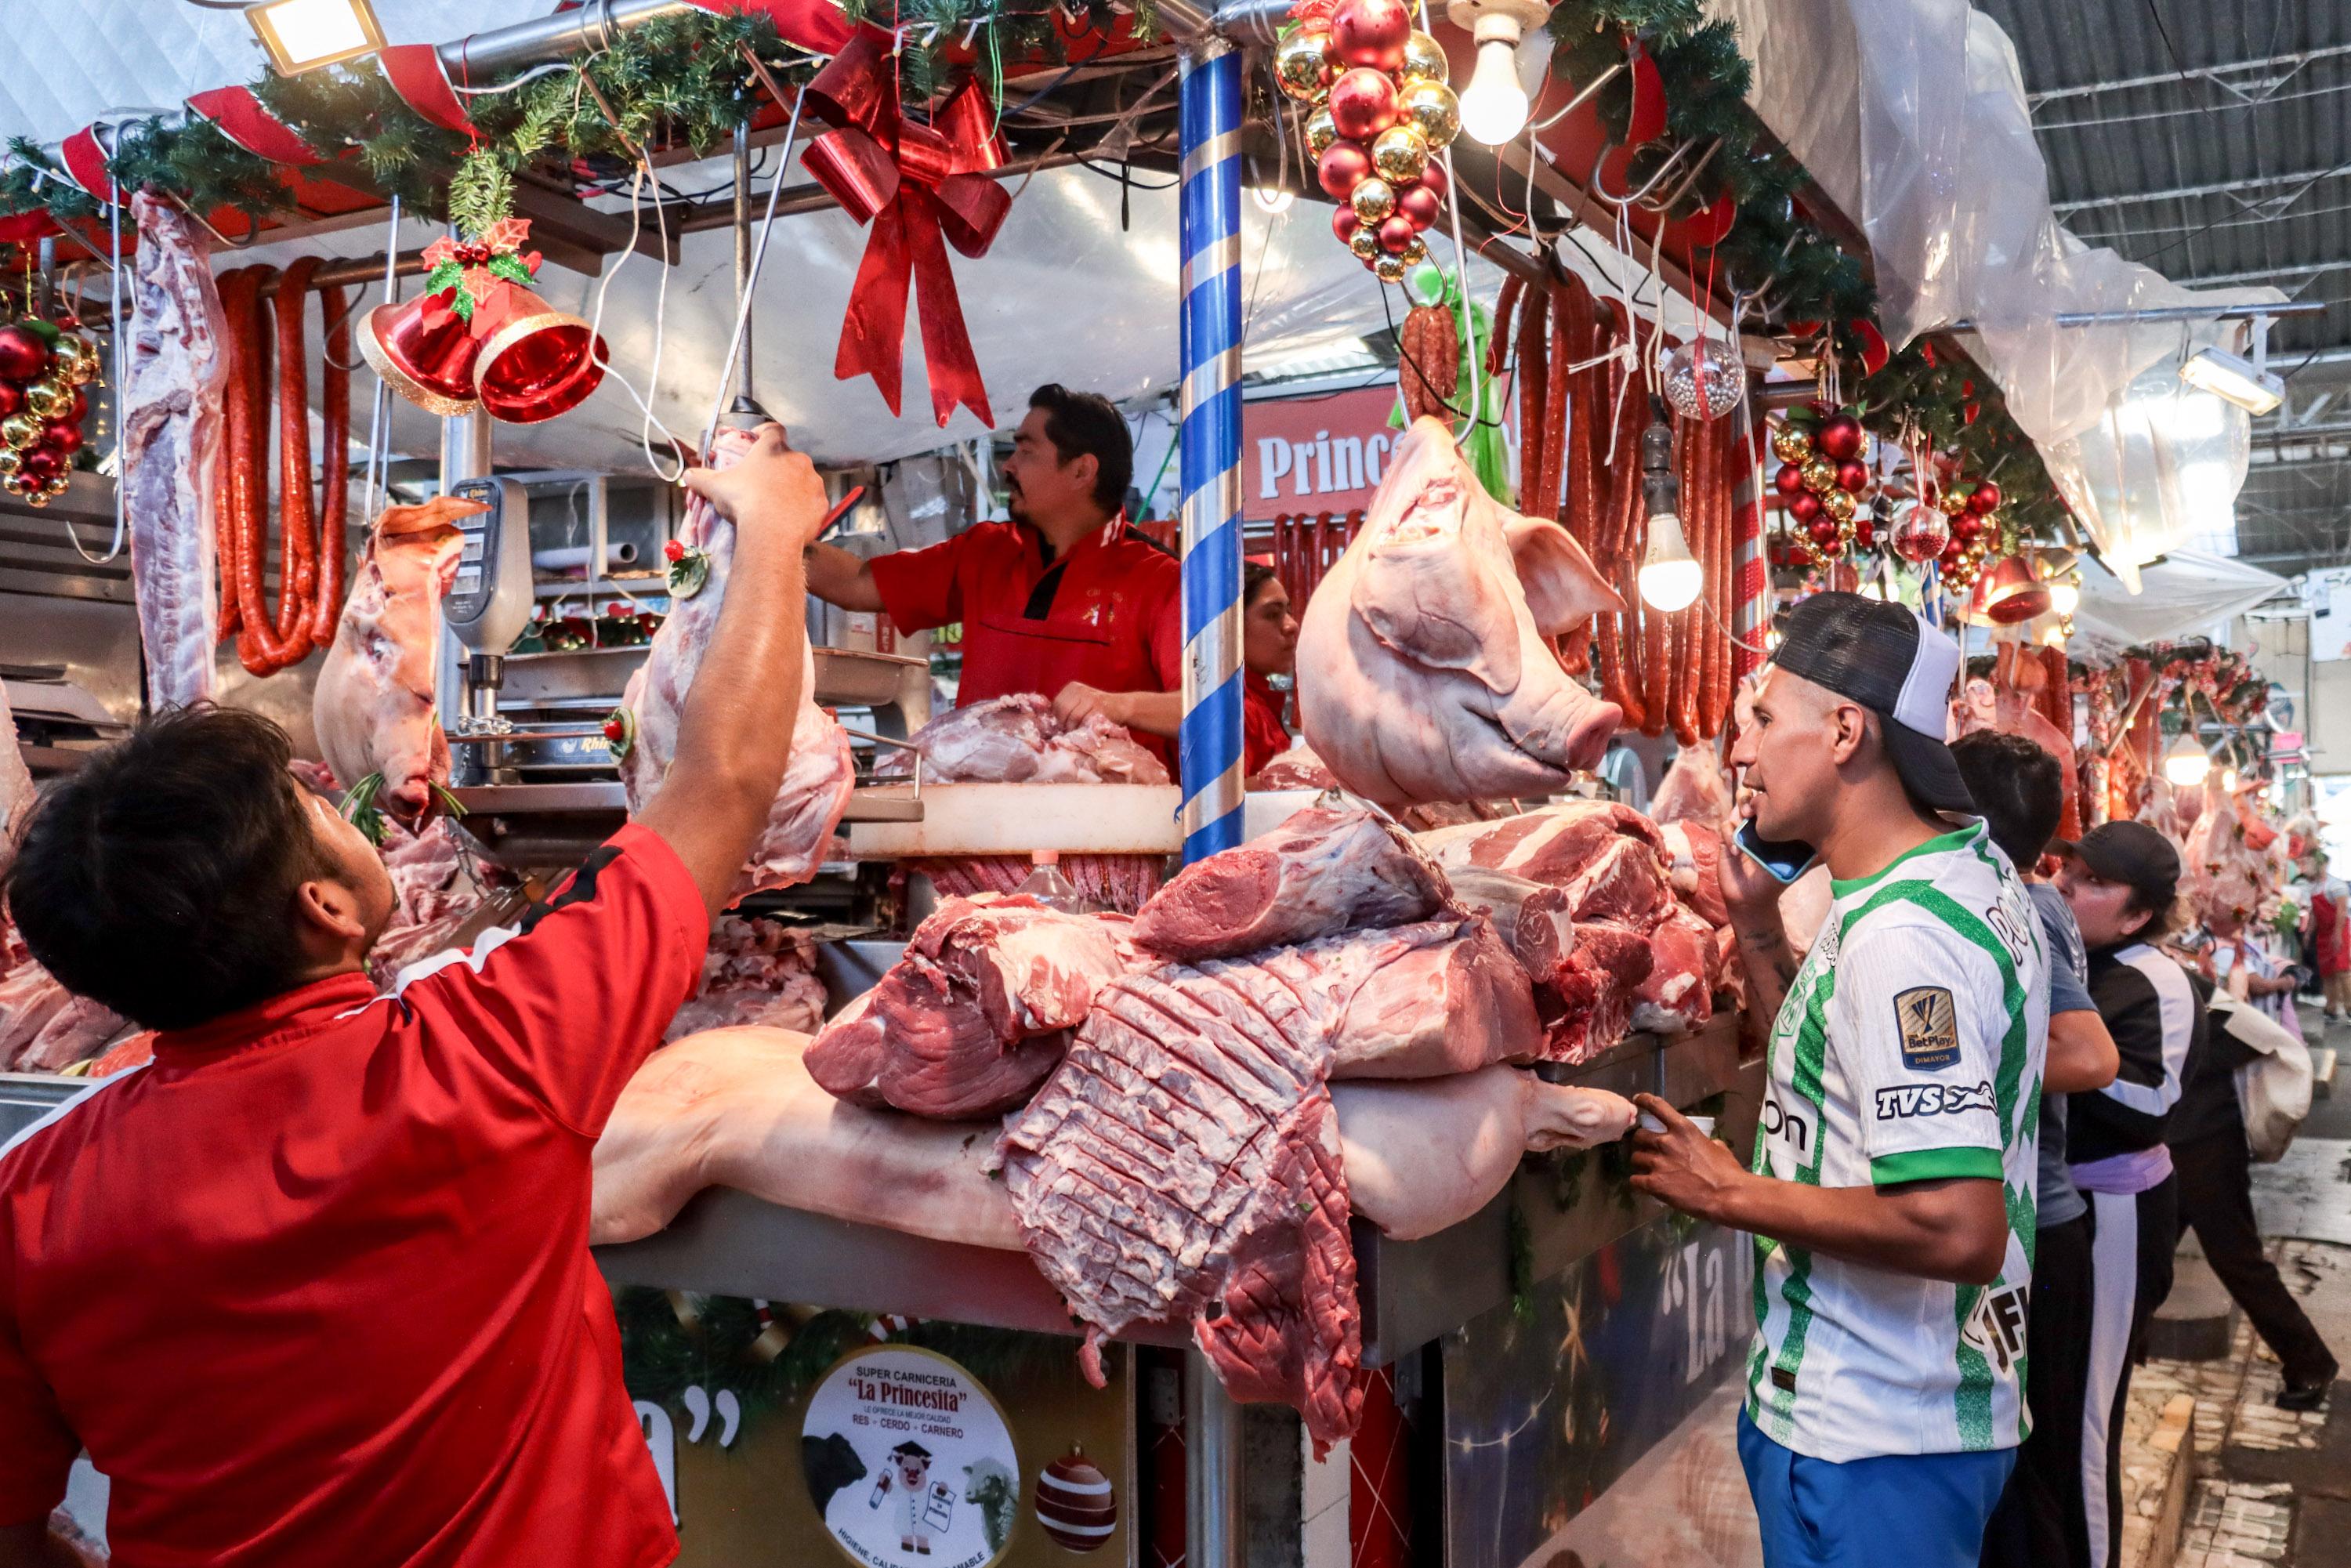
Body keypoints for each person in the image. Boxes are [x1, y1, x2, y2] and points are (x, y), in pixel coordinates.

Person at [0, 428, 831, 1567]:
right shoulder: (480, 1056)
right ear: (326, 910)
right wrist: (776, 530)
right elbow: (725, 780)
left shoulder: (30, 1197)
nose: (352, 814)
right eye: (328, 816)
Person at [1631, 592, 2049, 1568]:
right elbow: (1826, 1084)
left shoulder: (1905, 941)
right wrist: (1757, 927)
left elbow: (1958, 1226)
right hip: (1876, 1422)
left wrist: (1729, 1192)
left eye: (1766, 721)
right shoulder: (1941, 882)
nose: (1741, 754)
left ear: (1848, 731)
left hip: (1877, 1436)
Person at [802, 384, 1184, 762]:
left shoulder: (1162, 580)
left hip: (1107, 816)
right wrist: (769, 532)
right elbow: (857, 584)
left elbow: (1217, 707)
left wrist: (1121, 706)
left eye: (1026, 451)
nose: (1008, 464)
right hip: (981, 809)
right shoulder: (987, 552)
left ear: (1082, 471)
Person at [1953, 731, 2121, 1568]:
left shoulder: (2020, 904)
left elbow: (2092, 1057)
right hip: (2034, 1227)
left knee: (2031, 1480)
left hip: (2040, 1230)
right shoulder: (2022, 895)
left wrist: (1959, 1068)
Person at [2053, 821, 2198, 1568]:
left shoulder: (2153, 979)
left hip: (2117, 1212)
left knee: (2087, 1420)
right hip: (2063, 1211)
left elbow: (2154, 1105)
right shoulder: (2077, 959)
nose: (2067, 887)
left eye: (2092, 883)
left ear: (2139, 914)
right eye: (2069, 869)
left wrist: (2060, 1060)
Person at [2168, 971, 2339, 1412]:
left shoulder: (2170, 977)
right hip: (2180, 1143)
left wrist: (2172, 1061)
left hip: (2203, 1144)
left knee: (2237, 1259)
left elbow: (2250, 1040)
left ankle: (2310, 1360)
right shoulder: (2152, 971)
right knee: (2140, 1260)